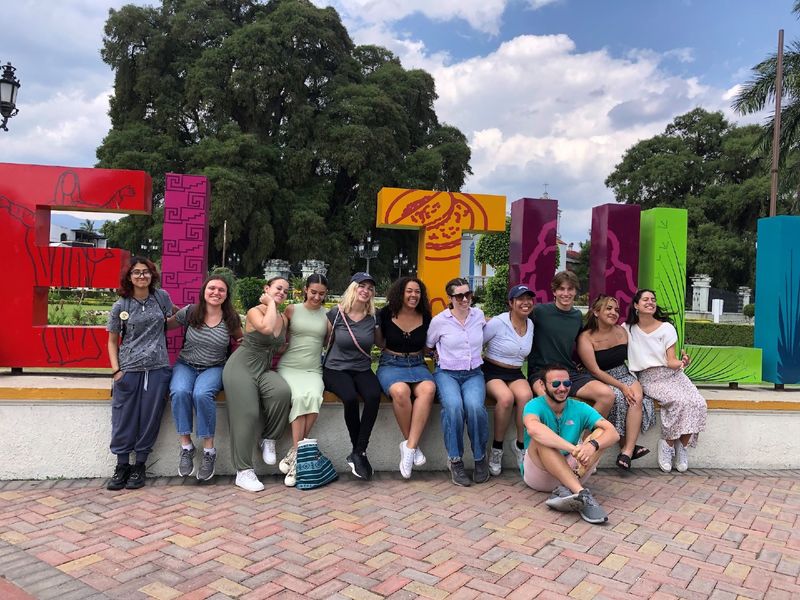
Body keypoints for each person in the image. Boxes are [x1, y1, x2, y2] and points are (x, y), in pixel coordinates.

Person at [106, 256, 177, 491]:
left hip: (157, 369)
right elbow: (112, 341)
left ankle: (140, 466)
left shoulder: (161, 297)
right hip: (128, 370)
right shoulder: (121, 305)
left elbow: (172, 320)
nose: (141, 276)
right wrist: (117, 371)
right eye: (136, 272)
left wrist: (197, 314)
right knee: (123, 418)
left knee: (150, 418)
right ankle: (122, 465)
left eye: (145, 272)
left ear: (152, 274)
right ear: (129, 277)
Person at [522, 364, 620, 524]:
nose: (562, 388)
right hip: (539, 475)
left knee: (601, 433)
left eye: (566, 384)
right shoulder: (534, 405)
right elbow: (533, 429)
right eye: (555, 384)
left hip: (574, 471)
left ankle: (565, 491)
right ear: (542, 385)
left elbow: (613, 433)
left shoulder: (579, 407)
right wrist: (573, 448)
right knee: (540, 438)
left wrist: (591, 445)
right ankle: (583, 494)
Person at [167, 275, 243, 482]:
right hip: (186, 365)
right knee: (180, 391)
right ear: (204, 291)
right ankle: (186, 446)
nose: (216, 293)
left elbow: (243, 340)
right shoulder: (191, 312)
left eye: (221, 290)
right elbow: (166, 326)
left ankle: (209, 451)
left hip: (214, 367)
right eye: (212, 288)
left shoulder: (230, 318)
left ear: (226, 295)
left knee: (201, 394)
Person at [222, 277, 292, 492]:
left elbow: (279, 346)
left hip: (262, 369)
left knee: (282, 392)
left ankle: (268, 439)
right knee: (248, 414)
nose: (282, 293)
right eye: (278, 288)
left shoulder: (284, 318)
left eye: (286, 291)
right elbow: (266, 329)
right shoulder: (256, 311)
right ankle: (243, 472)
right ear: (267, 289)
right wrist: (270, 303)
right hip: (241, 367)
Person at [626, 289, 707, 473]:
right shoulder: (627, 329)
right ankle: (667, 443)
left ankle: (682, 447)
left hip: (673, 374)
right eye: (645, 299)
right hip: (649, 378)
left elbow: (671, 361)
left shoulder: (666, 328)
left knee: (697, 402)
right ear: (636, 305)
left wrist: (682, 362)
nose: (650, 302)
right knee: (678, 401)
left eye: (653, 299)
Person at [577, 295, 655, 470]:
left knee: (636, 398)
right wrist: (621, 386)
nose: (614, 313)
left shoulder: (622, 331)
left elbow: (645, 349)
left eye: (616, 310)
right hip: (600, 377)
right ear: (596, 312)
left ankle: (627, 451)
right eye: (609, 309)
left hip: (623, 373)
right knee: (619, 397)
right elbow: (595, 370)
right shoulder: (586, 338)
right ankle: (590, 450)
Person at [426, 277, 489, 487]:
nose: (465, 299)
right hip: (447, 373)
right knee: (453, 408)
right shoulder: (439, 321)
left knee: (475, 408)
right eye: (459, 296)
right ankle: (455, 461)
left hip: (473, 373)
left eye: (468, 294)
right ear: (450, 298)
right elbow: (429, 344)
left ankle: (480, 458)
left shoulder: (478, 315)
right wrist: (437, 355)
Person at [527, 271, 614, 418]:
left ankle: (584, 439)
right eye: (561, 289)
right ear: (554, 292)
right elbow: (515, 323)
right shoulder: (539, 312)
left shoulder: (577, 316)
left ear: (575, 292)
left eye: (570, 289)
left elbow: (583, 343)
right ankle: (550, 440)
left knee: (607, 396)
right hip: (541, 372)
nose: (566, 293)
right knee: (551, 403)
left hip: (569, 373)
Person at [375, 277, 435, 479]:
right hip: (391, 364)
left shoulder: (426, 316)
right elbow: (379, 343)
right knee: (400, 391)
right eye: (409, 291)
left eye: (417, 292)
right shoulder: (385, 313)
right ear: (401, 292)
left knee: (428, 389)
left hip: (417, 364)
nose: (413, 295)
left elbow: (428, 345)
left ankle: (408, 447)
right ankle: (413, 447)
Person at [323, 272, 381, 480]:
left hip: (362, 368)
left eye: (370, 288)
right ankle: (359, 453)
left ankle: (358, 451)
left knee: (374, 395)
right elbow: (324, 341)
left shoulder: (374, 317)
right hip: (335, 368)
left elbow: (381, 343)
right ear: (353, 289)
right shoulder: (336, 314)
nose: (366, 291)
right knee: (349, 397)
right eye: (361, 286)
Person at [276, 274, 330, 487]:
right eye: (313, 292)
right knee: (299, 397)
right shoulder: (292, 310)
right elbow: (278, 335)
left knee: (315, 397)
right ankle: (300, 458)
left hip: (313, 369)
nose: (317, 297)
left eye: (321, 293)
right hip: (290, 366)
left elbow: (329, 342)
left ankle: (295, 453)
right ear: (305, 290)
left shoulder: (328, 315)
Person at [483, 284, 535, 476]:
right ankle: (497, 449)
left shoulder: (531, 324)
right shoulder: (498, 322)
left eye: (529, 299)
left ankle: (520, 445)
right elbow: (477, 340)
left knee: (526, 396)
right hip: (492, 370)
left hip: (515, 372)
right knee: (505, 399)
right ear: (511, 303)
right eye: (521, 299)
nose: (526, 303)